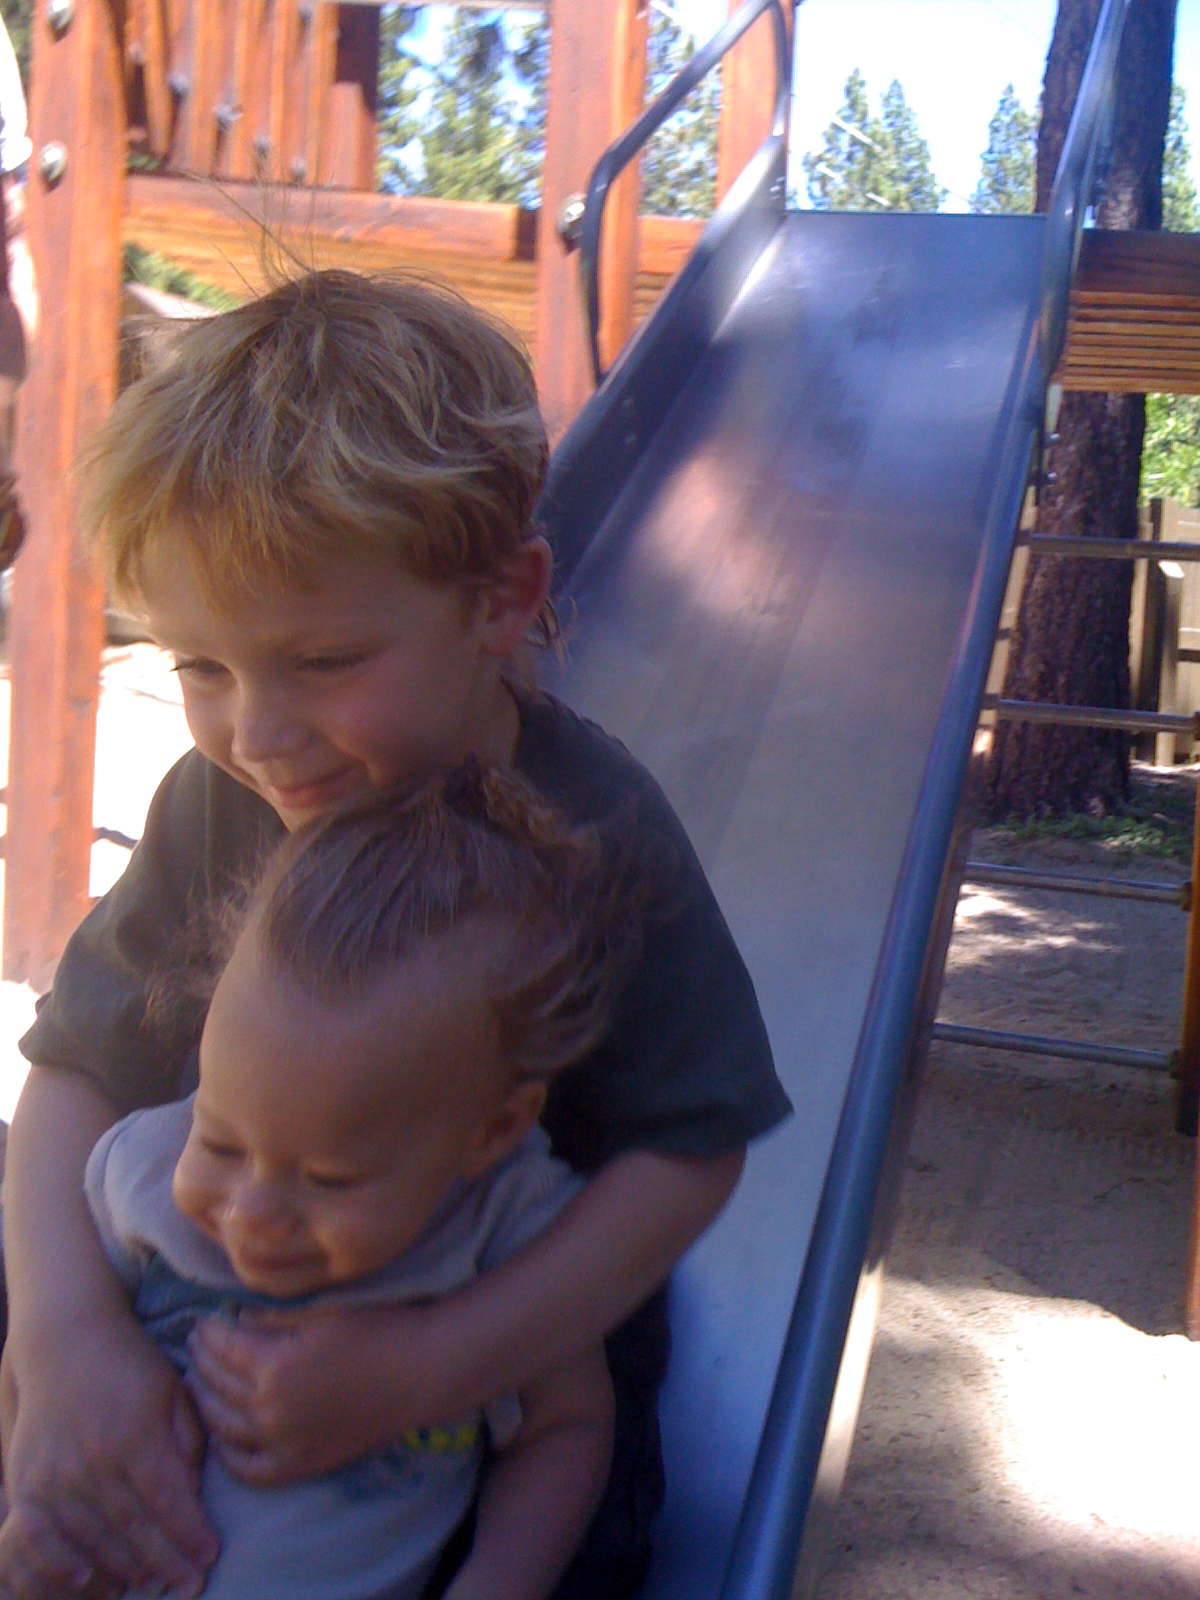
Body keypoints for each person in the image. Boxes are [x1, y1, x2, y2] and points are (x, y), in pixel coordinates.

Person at [0, 270, 791, 1600]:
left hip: (497, 1343)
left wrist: (436, 1364)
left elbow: (689, 1151)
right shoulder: (221, 801)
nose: (258, 733)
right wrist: (68, 1342)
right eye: (203, 666)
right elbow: (77, 1070)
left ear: (501, 598)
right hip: (222, 1282)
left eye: (321, 662)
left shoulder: (595, 831)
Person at [25, 765, 622, 1600]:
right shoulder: (144, 1168)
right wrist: (34, 1517)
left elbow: (565, 1428)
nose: (252, 1213)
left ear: (492, 1132)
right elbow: (44, 1374)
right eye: (220, 1143)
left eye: (331, 1180)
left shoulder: (503, 1223)